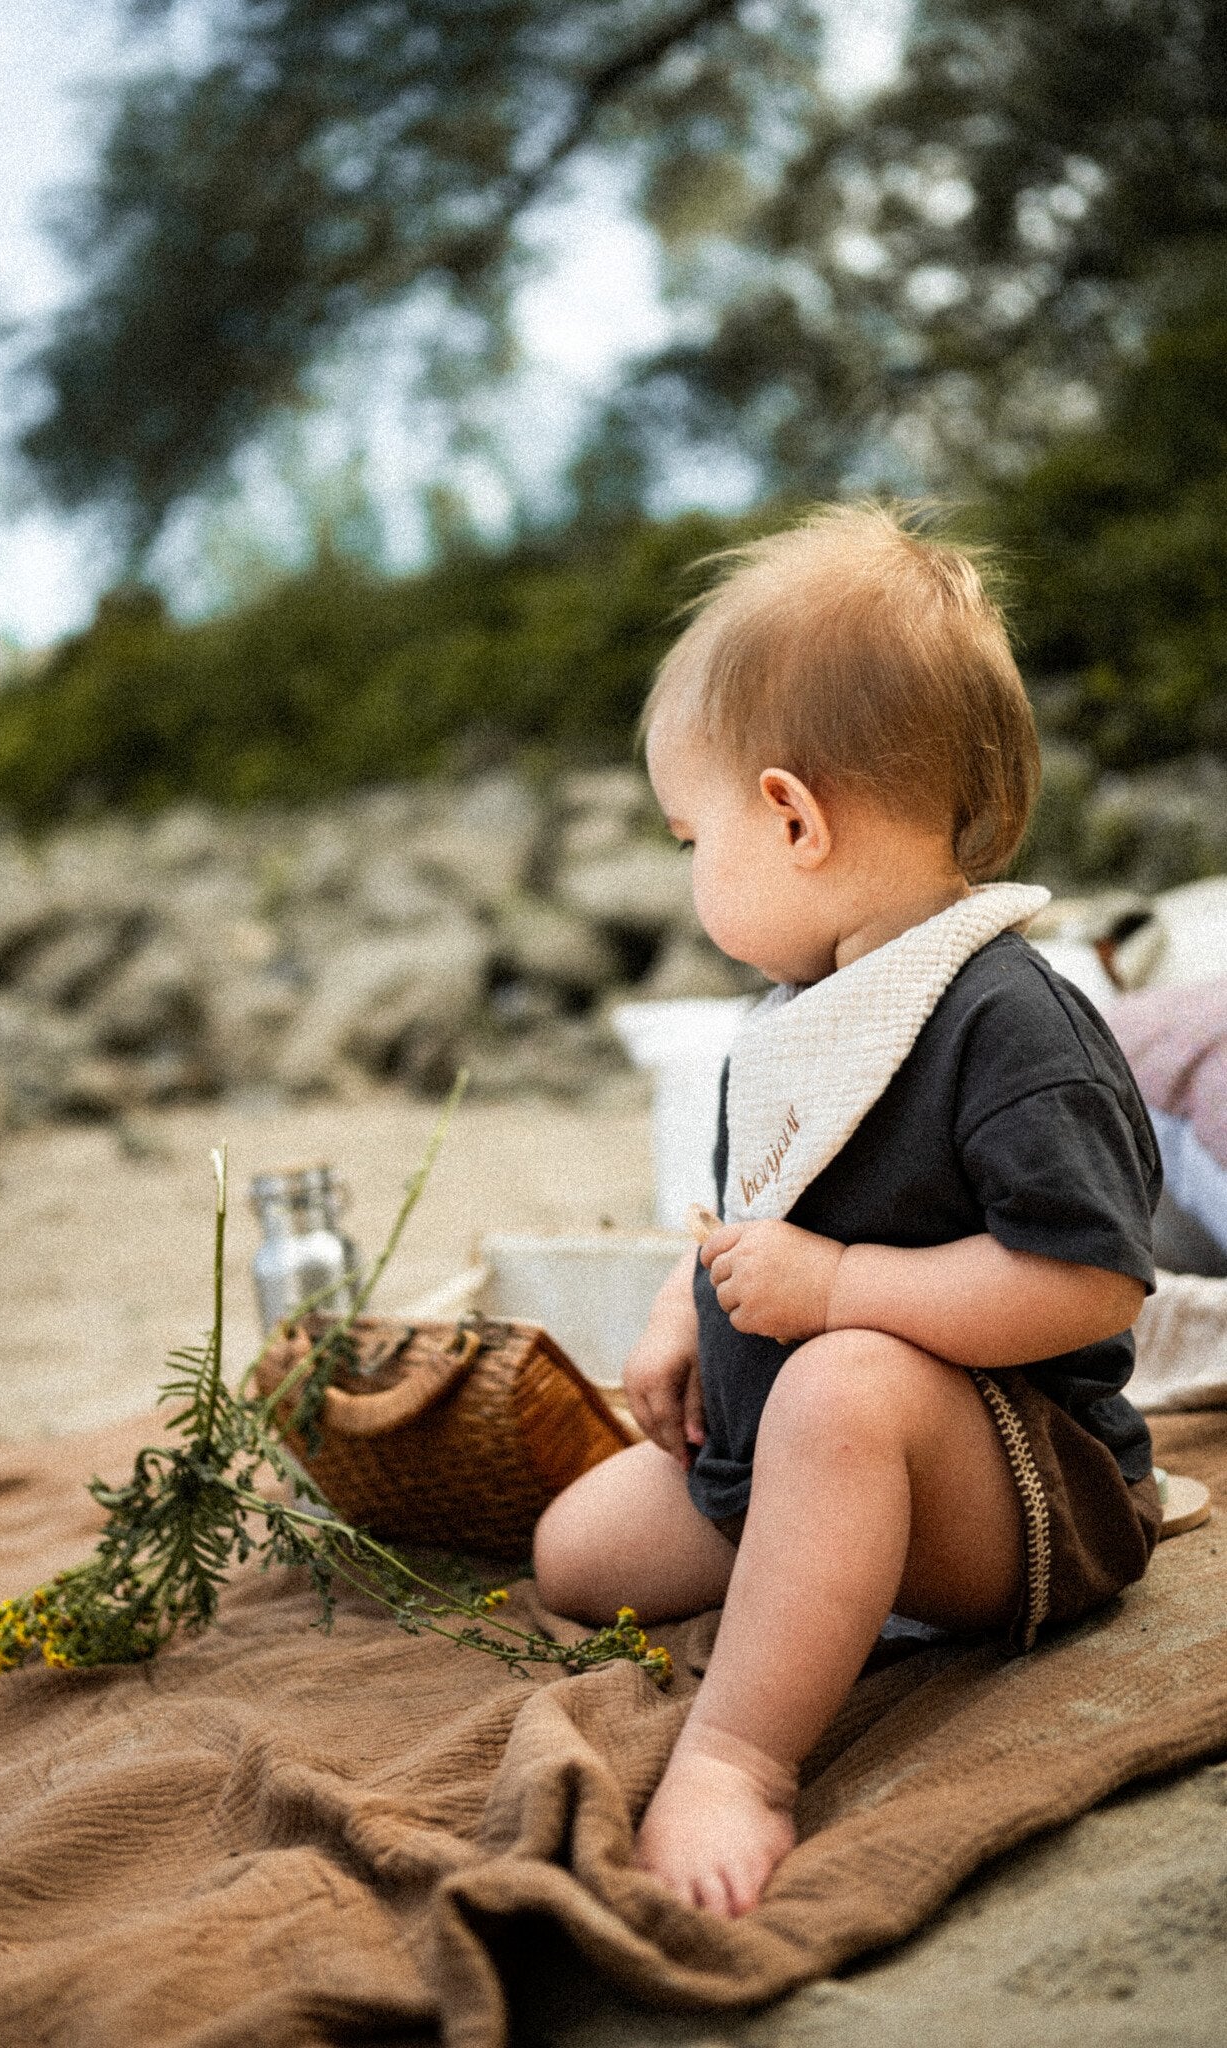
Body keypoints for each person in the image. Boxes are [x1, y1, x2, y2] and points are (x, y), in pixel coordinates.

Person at [532, 504, 1163, 1920]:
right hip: (781, 1449)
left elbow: (1089, 1288)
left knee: (843, 1389)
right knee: (574, 1555)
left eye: (692, 835)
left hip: (1019, 1492)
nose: (691, 874)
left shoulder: (1008, 1022)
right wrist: (674, 1312)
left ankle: (740, 1755)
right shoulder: (807, 1017)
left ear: (788, 816)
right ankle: (821, 1579)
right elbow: (751, 1210)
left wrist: (833, 1292)